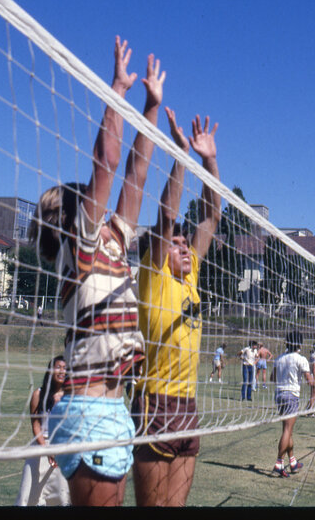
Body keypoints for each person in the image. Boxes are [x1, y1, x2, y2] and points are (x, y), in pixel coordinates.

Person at [35, 37, 162, 506]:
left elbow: (136, 174)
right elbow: (107, 164)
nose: (104, 206)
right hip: (90, 408)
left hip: (108, 405)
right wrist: (117, 90)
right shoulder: (82, 248)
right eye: (91, 201)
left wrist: (150, 109)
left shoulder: (113, 244)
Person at [132, 107, 222, 507]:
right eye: (176, 243)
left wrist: (209, 159)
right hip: (155, 401)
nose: (184, 246)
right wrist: (181, 156)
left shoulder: (191, 278)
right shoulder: (154, 276)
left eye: (187, 244)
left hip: (189, 406)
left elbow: (212, 215)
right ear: (159, 249)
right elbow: (167, 216)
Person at [15, 356, 71, 506]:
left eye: (65, 368)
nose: (62, 371)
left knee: (63, 498)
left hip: (62, 450)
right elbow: (36, 426)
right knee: (29, 497)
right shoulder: (38, 394)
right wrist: (46, 450)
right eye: (58, 367)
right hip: (39, 451)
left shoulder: (71, 396)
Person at [270, 331, 313, 477]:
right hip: (291, 395)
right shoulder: (301, 359)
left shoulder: (280, 358)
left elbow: (272, 378)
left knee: (287, 430)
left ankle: (293, 462)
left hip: (279, 395)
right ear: (300, 344)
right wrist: (313, 377)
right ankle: (279, 463)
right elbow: (310, 381)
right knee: (287, 430)